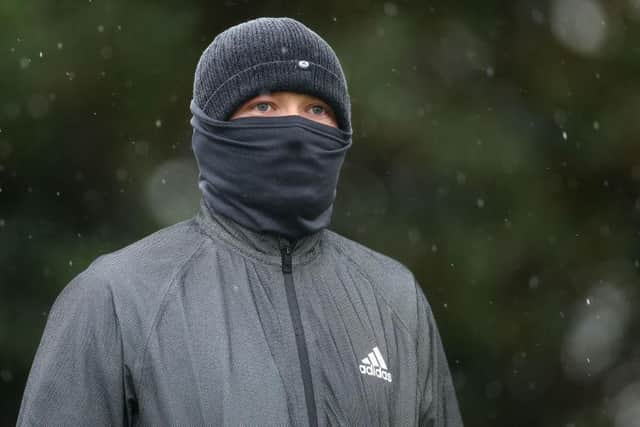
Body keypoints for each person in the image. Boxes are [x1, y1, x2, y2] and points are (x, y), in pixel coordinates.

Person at [17, 16, 463, 426]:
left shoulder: (394, 298)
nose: (295, 129)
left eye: (315, 110)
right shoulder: (117, 298)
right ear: (211, 130)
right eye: (265, 107)